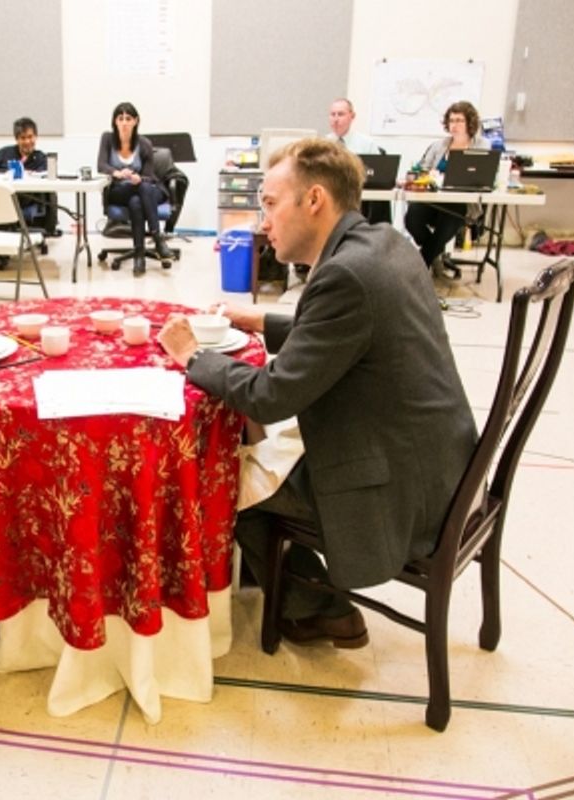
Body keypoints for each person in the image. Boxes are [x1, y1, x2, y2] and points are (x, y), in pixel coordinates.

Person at [158, 138, 476, 650]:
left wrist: (192, 356)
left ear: (314, 200)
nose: (264, 222)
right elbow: (344, 332)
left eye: (269, 203)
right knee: (262, 448)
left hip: (399, 491)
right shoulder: (383, 244)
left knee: (224, 474)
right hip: (440, 463)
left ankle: (321, 607)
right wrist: (258, 320)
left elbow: (269, 396)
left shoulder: (344, 275)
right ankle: (285, 579)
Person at [403, 101, 489, 271]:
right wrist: (427, 174)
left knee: (451, 217)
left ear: (469, 122)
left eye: (459, 120)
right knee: (411, 217)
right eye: (451, 120)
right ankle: (436, 253)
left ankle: (420, 266)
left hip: (461, 202)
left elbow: (483, 175)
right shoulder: (439, 145)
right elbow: (423, 170)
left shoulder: (481, 145)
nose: (454, 125)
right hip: (434, 199)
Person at [96, 102, 172, 276]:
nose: (124, 123)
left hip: (140, 190)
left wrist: (139, 178)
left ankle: (140, 256)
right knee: (140, 191)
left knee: (137, 200)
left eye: (128, 119)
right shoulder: (107, 139)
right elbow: (101, 165)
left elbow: (150, 177)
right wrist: (117, 172)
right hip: (118, 191)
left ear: (136, 121)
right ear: (115, 121)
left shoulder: (144, 143)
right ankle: (157, 238)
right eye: (120, 118)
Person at [0, 116, 59, 267]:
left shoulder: (41, 158)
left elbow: (46, 177)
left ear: (35, 137)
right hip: (4, 201)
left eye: (30, 137)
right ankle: (1, 253)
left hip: (28, 202)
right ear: (17, 139)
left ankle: (3, 249)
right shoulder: (4, 154)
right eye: (23, 138)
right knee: (0, 207)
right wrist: (6, 173)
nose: (27, 141)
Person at [325, 97, 391, 225]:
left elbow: (379, 174)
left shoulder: (367, 144)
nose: (336, 119)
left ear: (352, 116)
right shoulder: (323, 143)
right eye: (333, 114)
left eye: (341, 114)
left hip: (358, 198)